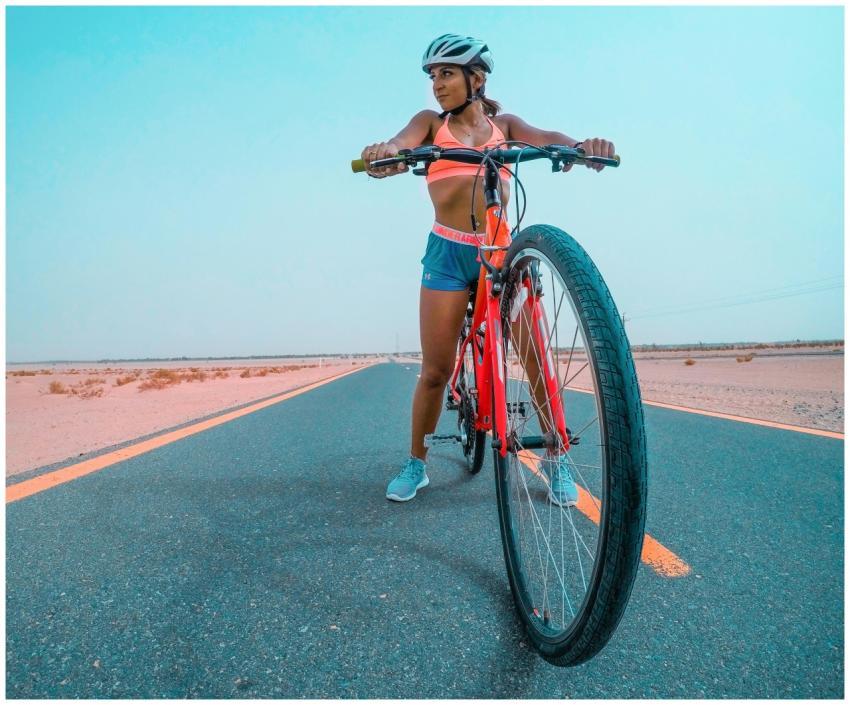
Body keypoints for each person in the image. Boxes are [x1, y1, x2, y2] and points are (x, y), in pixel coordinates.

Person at [361, 34, 615, 504]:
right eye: (433, 76)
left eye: (447, 74)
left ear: (475, 79)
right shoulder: (429, 124)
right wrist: (385, 155)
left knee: (537, 361)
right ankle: (416, 462)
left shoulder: (506, 125)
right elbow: (399, 145)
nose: (437, 85)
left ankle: (557, 456)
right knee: (435, 371)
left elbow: (546, 139)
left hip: (501, 255)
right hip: (448, 254)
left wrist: (581, 147)